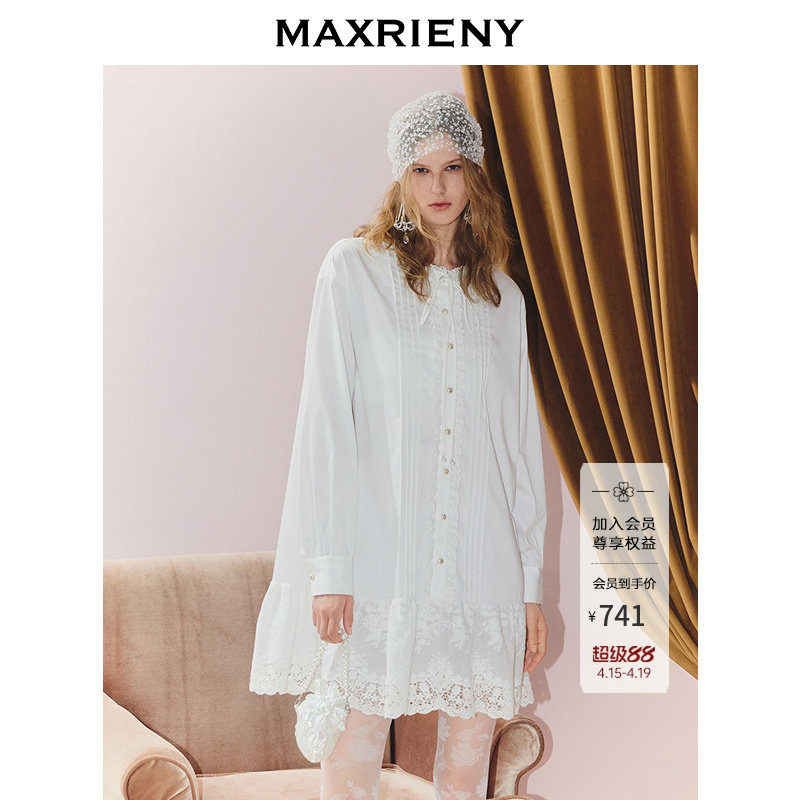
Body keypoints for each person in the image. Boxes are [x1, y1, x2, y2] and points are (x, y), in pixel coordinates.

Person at [249, 90, 549, 799]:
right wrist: (330, 568)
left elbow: (516, 449)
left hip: (483, 568)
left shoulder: (502, 300)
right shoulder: (353, 271)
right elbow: (327, 422)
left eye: (452, 168)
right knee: (353, 747)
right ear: (399, 177)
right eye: (420, 170)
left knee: (468, 763)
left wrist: (529, 587)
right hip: (379, 560)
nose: (438, 186)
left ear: (474, 175)